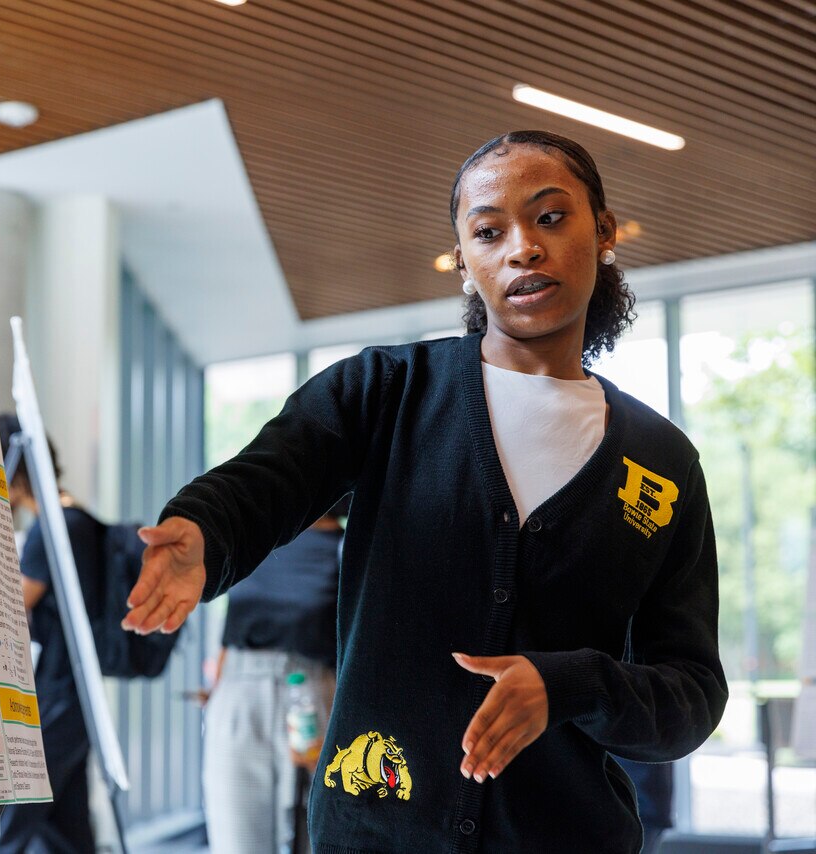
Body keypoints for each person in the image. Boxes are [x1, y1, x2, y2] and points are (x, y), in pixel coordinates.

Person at [122, 131, 728, 853]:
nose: (522, 249)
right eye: (488, 230)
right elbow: (274, 473)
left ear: (602, 231)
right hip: (377, 829)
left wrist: (569, 686)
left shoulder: (660, 463)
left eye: (550, 218)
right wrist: (203, 530)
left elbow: (690, 694)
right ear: (466, 263)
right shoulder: (386, 392)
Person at [203, 500, 346, 854]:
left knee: (316, 837)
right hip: (239, 690)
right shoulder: (256, 540)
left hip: (315, 694)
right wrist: (217, 686)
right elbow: (231, 628)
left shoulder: (349, 547)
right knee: (235, 839)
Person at [0, 412, 99, 854]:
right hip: (78, 698)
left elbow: (10, 608)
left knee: (11, 827)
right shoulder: (80, 519)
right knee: (67, 830)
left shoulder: (51, 530)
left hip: (56, 697)